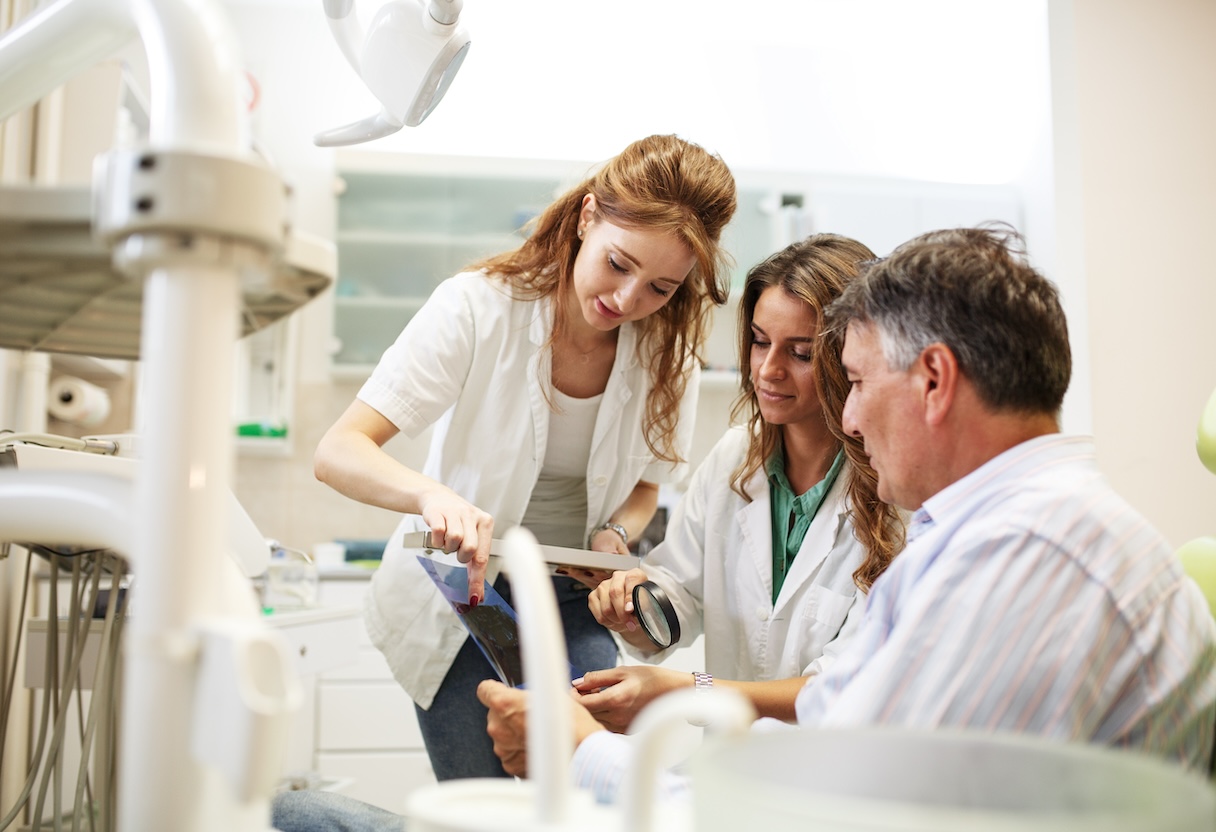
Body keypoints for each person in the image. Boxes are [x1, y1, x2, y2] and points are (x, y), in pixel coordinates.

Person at [478, 224, 1216, 803]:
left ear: (933, 380)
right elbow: (844, 713)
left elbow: (835, 812)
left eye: (854, 380)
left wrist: (580, 752)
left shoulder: (1020, 554)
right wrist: (647, 640)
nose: (851, 418)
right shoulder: (997, 530)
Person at [314, 134, 738, 780]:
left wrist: (615, 532)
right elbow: (339, 450)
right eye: (617, 264)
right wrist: (434, 497)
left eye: (658, 288)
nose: (626, 301)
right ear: (588, 216)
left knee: (584, 786)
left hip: (570, 594)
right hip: (466, 591)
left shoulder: (667, 358)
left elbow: (647, 489)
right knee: (483, 803)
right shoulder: (477, 308)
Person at [570, 234, 905, 731]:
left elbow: (845, 684)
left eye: (801, 353)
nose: (768, 370)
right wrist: (636, 609)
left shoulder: (896, 491)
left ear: (849, 356)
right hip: (733, 766)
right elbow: (680, 594)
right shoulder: (736, 457)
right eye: (760, 341)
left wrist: (689, 690)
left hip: (833, 778)